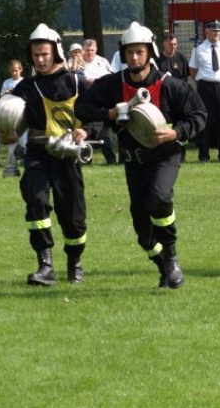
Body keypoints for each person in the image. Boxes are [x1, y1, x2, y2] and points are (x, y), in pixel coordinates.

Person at [75, 22, 207, 289]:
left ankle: (171, 257)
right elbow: (83, 106)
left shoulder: (170, 85)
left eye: (140, 52)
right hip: (134, 160)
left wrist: (177, 132)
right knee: (142, 230)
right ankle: (160, 262)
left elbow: (200, 115)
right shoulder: (111, 84)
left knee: (159, 198)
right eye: (130, 52)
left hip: (165, 155)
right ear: (123, 54)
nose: (134, 58)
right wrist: (108, 114)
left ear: (150, 52)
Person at [7, 24, 97, 286]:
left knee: (73, 216)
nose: (40, 60)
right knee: (35, 199)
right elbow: (12, 121)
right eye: (35, 55)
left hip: (68, 156)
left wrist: (86, 131)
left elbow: (95, 116)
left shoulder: (78, 82)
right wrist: (7, 130)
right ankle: (45, 264)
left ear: (56, 52)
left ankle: (74, 261)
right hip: (38, 153)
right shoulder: (25, 87)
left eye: (44, 54)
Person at [189, 20, 220, 162]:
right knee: (205, 121)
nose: (216, 34)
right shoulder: (198, 48)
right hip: (205, 87)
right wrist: (202, 81)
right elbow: (193, 69)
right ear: (207, 32)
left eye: (218, 31)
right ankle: (203, 155)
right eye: (214, 31)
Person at [82, 38, 117, 164]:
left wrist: (95, 81)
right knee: (86, 130)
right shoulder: (78, 63)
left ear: (96, 49)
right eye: (87, 50)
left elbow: (110, 77)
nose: (90, 52)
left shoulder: (102, 61)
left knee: (103, 132)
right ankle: (86, 158)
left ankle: (111, 159)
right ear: (83, 50)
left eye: (92, 50)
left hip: (102, 101)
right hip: (86, 101)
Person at [0, 59, 25, 177]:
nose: (14, 73)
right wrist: (8, 93)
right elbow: (2, 97)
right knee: (11, 140)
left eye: (16, 70)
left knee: (24, 140)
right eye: (12, 71)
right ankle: (11, 166)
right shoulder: (7, 82)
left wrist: (16, 92)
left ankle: (27, 163)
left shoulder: (25, 82)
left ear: (20, 69)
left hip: (23, 114)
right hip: (10, 115)